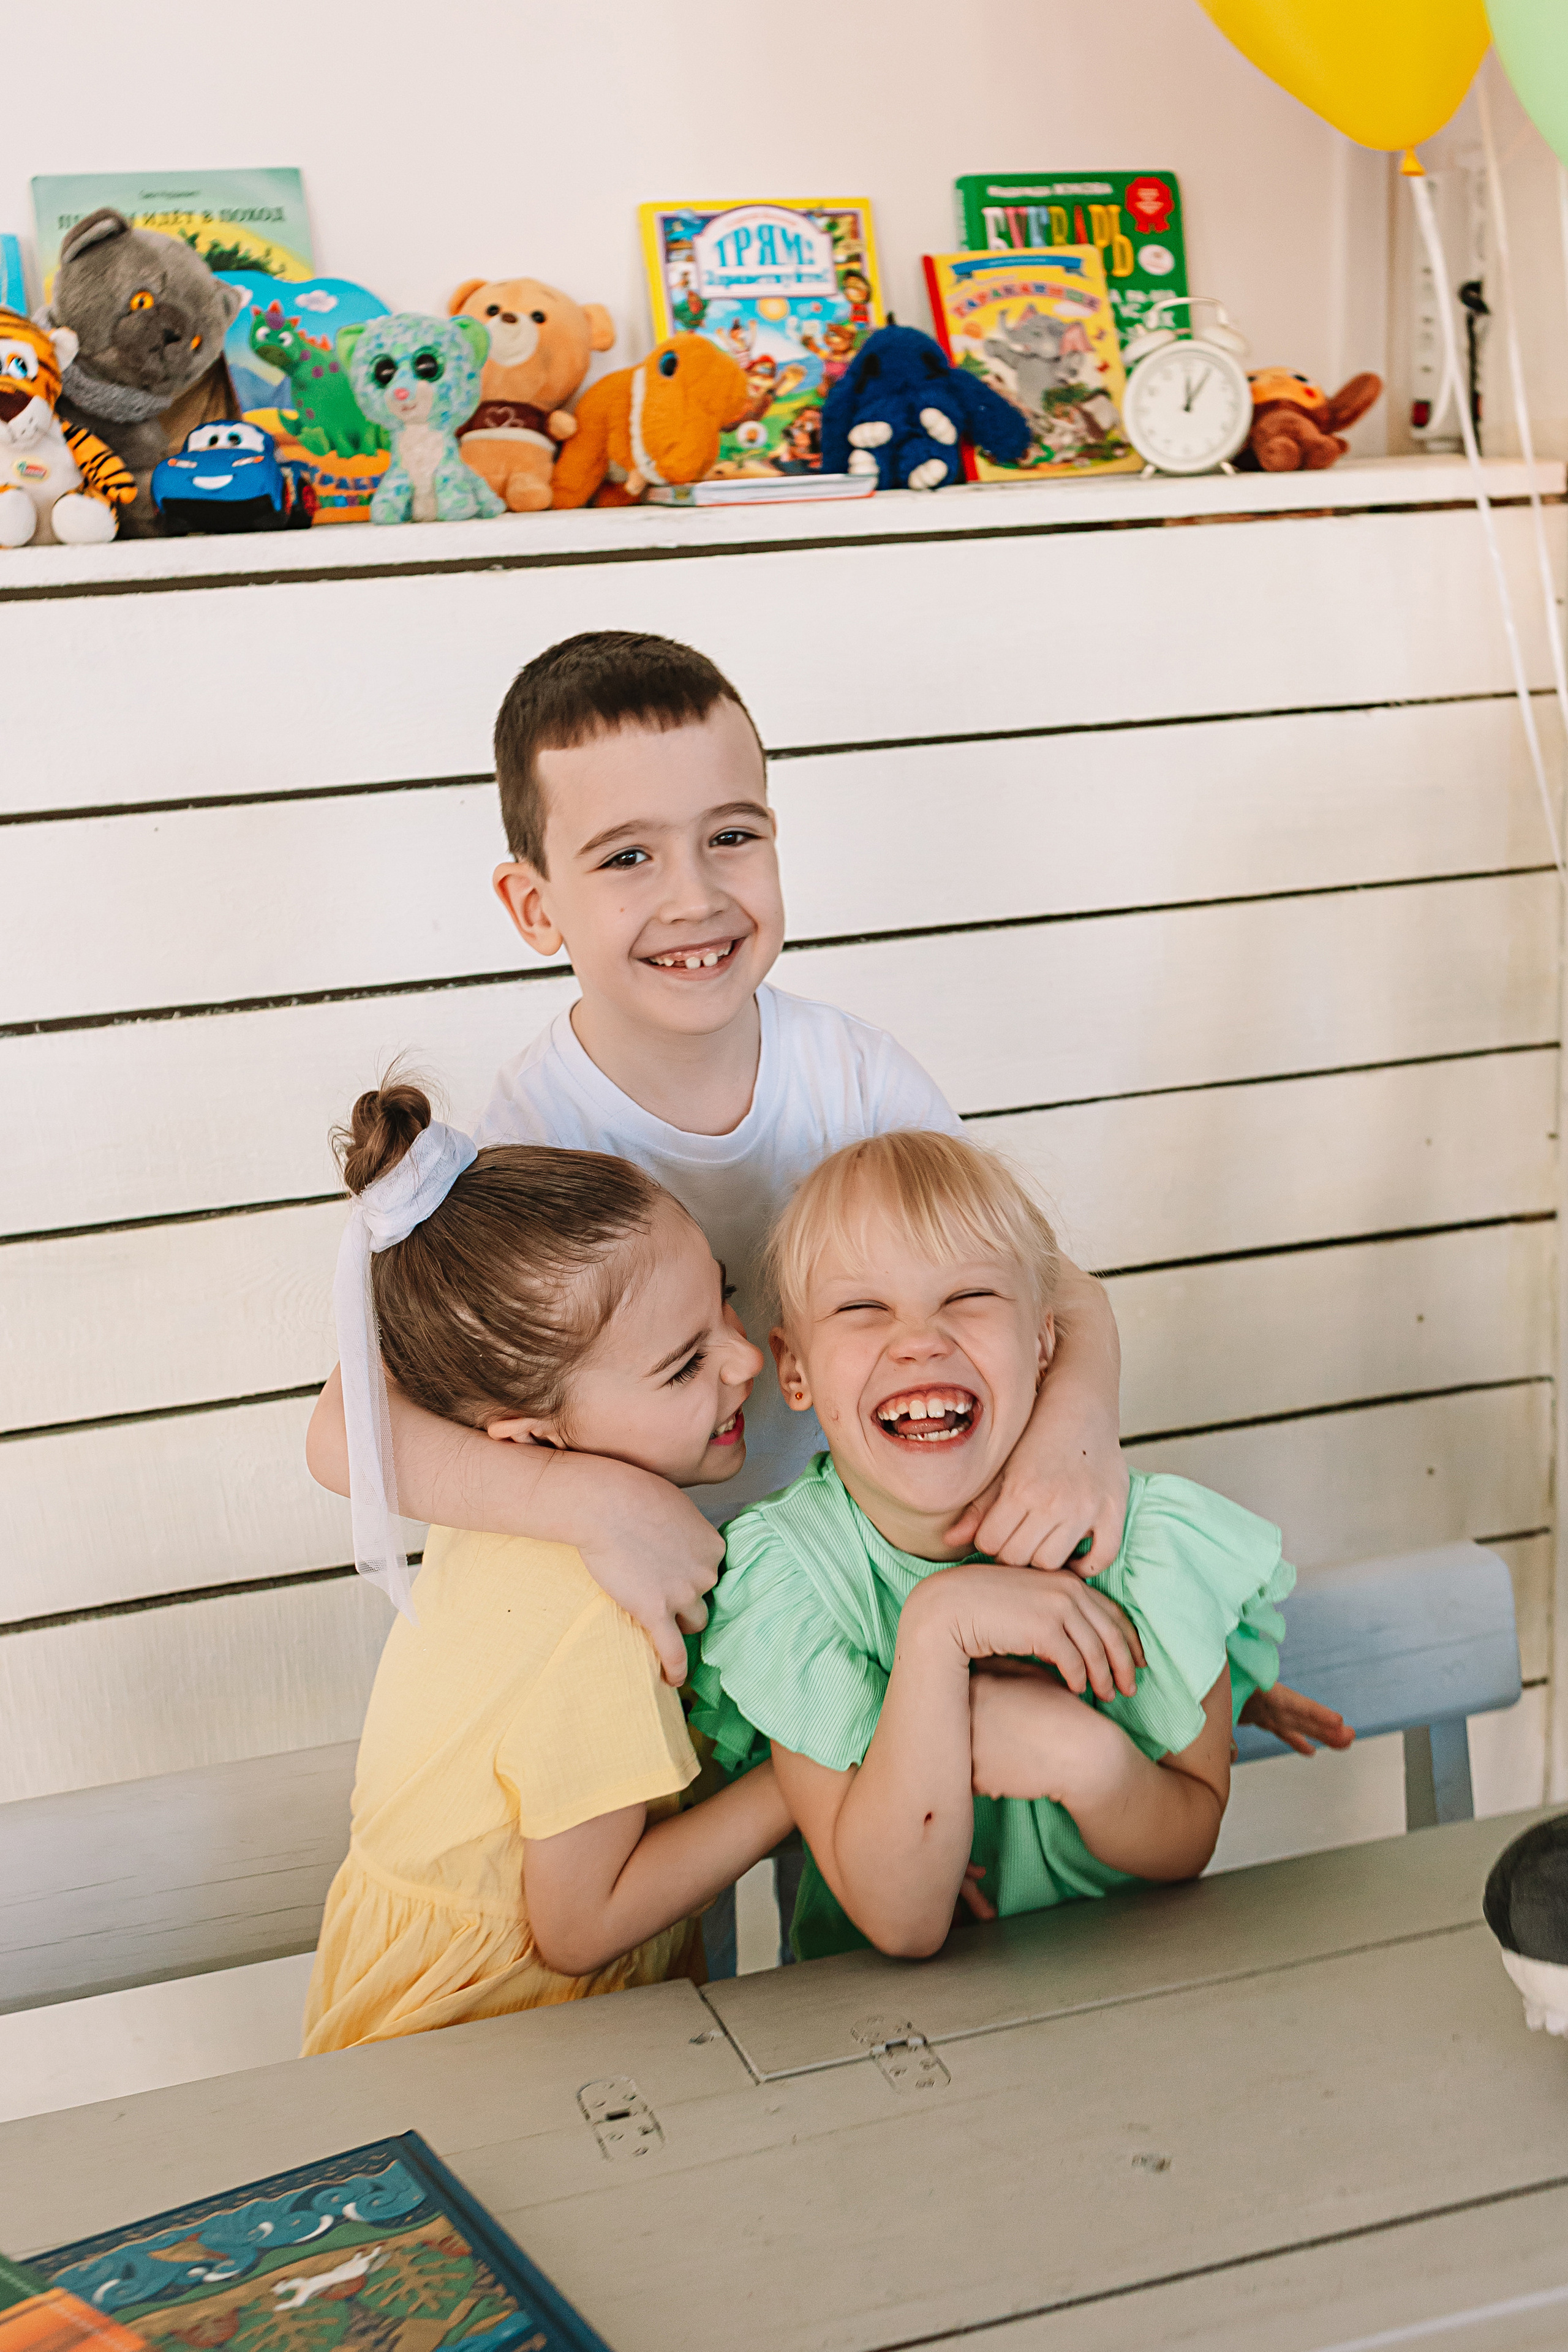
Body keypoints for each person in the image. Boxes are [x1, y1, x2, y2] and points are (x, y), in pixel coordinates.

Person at [690, 1130, 1346, 1962]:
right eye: (863, 1308)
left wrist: (1085, 1760)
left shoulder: (1147, 1548)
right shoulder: (789, 1579)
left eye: (967, 1297)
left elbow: (1188, 1842)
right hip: (890, 2050)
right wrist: (938, 1627)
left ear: (1044, 1342)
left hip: (1137, 2001)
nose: (919, 1339)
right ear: (796, 1371)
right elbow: (902, 1919)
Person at [302, 1082, 792, 2053]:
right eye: (684, 1365)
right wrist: (805, 1779)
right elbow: (580, 1928)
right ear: (527, 1432)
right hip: (490, 2041)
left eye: (725, 1302)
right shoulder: (600, 1607)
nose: (745, 1361)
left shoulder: (497, 1505)